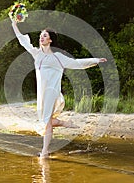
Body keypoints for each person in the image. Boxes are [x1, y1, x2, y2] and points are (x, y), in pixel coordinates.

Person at [11, 19, 107, 158]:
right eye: (40, 36)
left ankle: (45, 152)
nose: (41, 38)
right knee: (45, 121)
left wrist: (95, 60)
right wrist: (14, 24)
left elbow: (76, 63)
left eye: (44, 36)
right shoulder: (37, 53)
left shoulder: (58, 57)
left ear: (50, 40)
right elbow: (23, 41)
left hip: (52, 91)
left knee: (46, 121)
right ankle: (63, 124)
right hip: (42, 93)